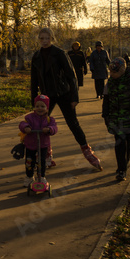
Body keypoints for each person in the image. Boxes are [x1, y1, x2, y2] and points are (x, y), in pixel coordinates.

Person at [30, 27, 102, 170]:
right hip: (45, 97)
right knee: (41, 125)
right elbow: (33, 80)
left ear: (52, 38)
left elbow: (72, 76)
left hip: (64, 94)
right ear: (39, 39)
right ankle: (47, 156)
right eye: (41, 38)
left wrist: (74, 97)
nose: (44, 41)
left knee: (73, 123)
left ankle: (88, 153)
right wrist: (34, 100)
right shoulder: (36, 56)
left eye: (47, 38)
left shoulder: (60, 53)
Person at [102, 56, 130, 182]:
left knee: (128, 143)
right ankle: (121, 169)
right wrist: (106, 116)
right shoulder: (110, 83)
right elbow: (106, 100)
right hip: (115, 119)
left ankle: (124, 164)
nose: (112, 74)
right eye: (111, 72)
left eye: (114, 72)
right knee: (119, 143)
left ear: (122, 70)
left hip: (129, 118)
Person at [19, 94, 57, 185]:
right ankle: (29, 177)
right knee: (29, 162)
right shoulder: (29, 118)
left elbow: (54, 128)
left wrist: (49, 129)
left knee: (42, 162)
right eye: (37, 106)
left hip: (43, 144)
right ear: (34, 107)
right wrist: (26, 128)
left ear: (47, 108)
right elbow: (22, 124)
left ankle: (42, 176)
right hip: (30, 144)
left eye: (42, 106)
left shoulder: (49, 119)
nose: (40, 108)